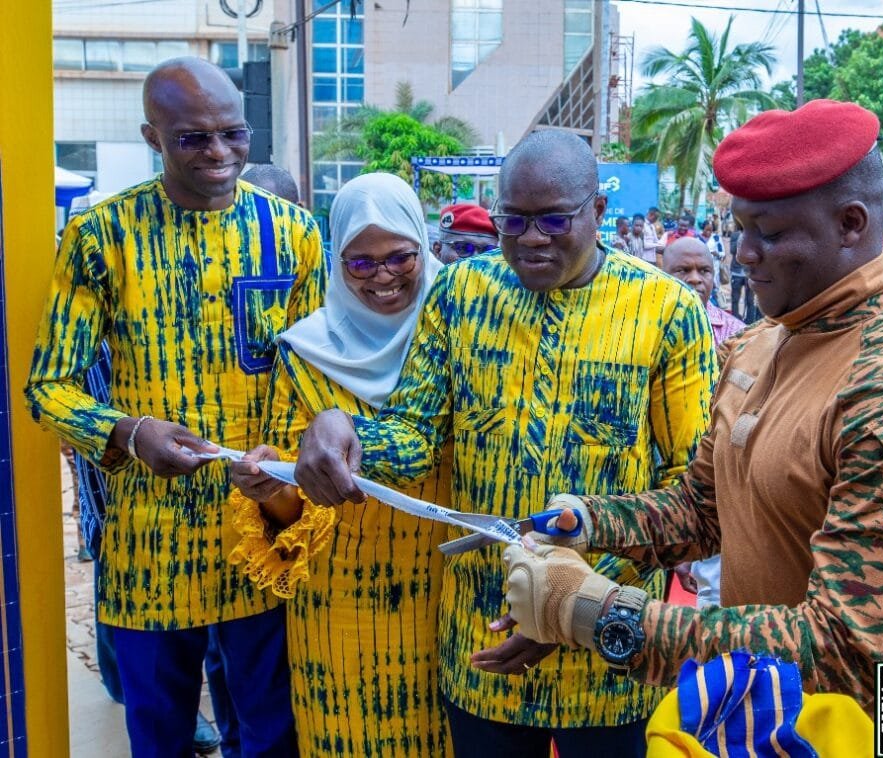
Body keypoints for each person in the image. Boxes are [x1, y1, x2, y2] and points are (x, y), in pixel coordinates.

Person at [496, 99, 883, 713]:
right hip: (772, 715)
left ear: (852, 224)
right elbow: (705, 509)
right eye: (740, 228)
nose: (742, 253)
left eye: (771, 232)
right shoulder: (757, 346)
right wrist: (588, 521)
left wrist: (595, 614)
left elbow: (845, 649)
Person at [292, 129, 716, 758]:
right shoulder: (461, 295)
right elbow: (416, 435)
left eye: (552, 220)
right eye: (512, 221)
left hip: (608, 646)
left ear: (598, 211)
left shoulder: (667, 311)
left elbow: (689, 493)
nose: (531, 239)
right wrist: (343, 430)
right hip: (483, 636)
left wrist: (570, 604)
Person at [25, 57, 326, 757]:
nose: (218, 153)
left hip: (260, 533)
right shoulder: (101, 236)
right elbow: (48, 386)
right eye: (192, 138)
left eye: (232, 133)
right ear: (151, 137)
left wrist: (281, 461)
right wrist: (127, 433)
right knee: (157, 734)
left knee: (270, 733)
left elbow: (314, 382)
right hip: (147, 546)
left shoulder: (295, 234)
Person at [227, 173, 451, 756]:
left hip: (454, 594)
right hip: (343, 608)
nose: (383, 276)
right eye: (360, 262)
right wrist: (264, 485)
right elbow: (288, 499)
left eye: (400, 256)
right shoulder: (305, 352)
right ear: (337, 262)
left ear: (424, 249)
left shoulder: (460, 331)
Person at [660, 236, 744, 607]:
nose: (695, 279)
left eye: (704, 270)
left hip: (711, 485)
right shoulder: (646, 329)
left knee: (711, 598)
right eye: (683, 270)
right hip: (653, 484)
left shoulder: (738, 335)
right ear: (661, 272)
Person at [726, 220, 757, 324]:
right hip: (736, 272)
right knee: (735, 298)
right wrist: (742, 237)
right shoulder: (735, 235)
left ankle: (749, 322)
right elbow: (733, 250)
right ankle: (734, 320)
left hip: (750, 273)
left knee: (750, 300)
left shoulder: (754, 235)